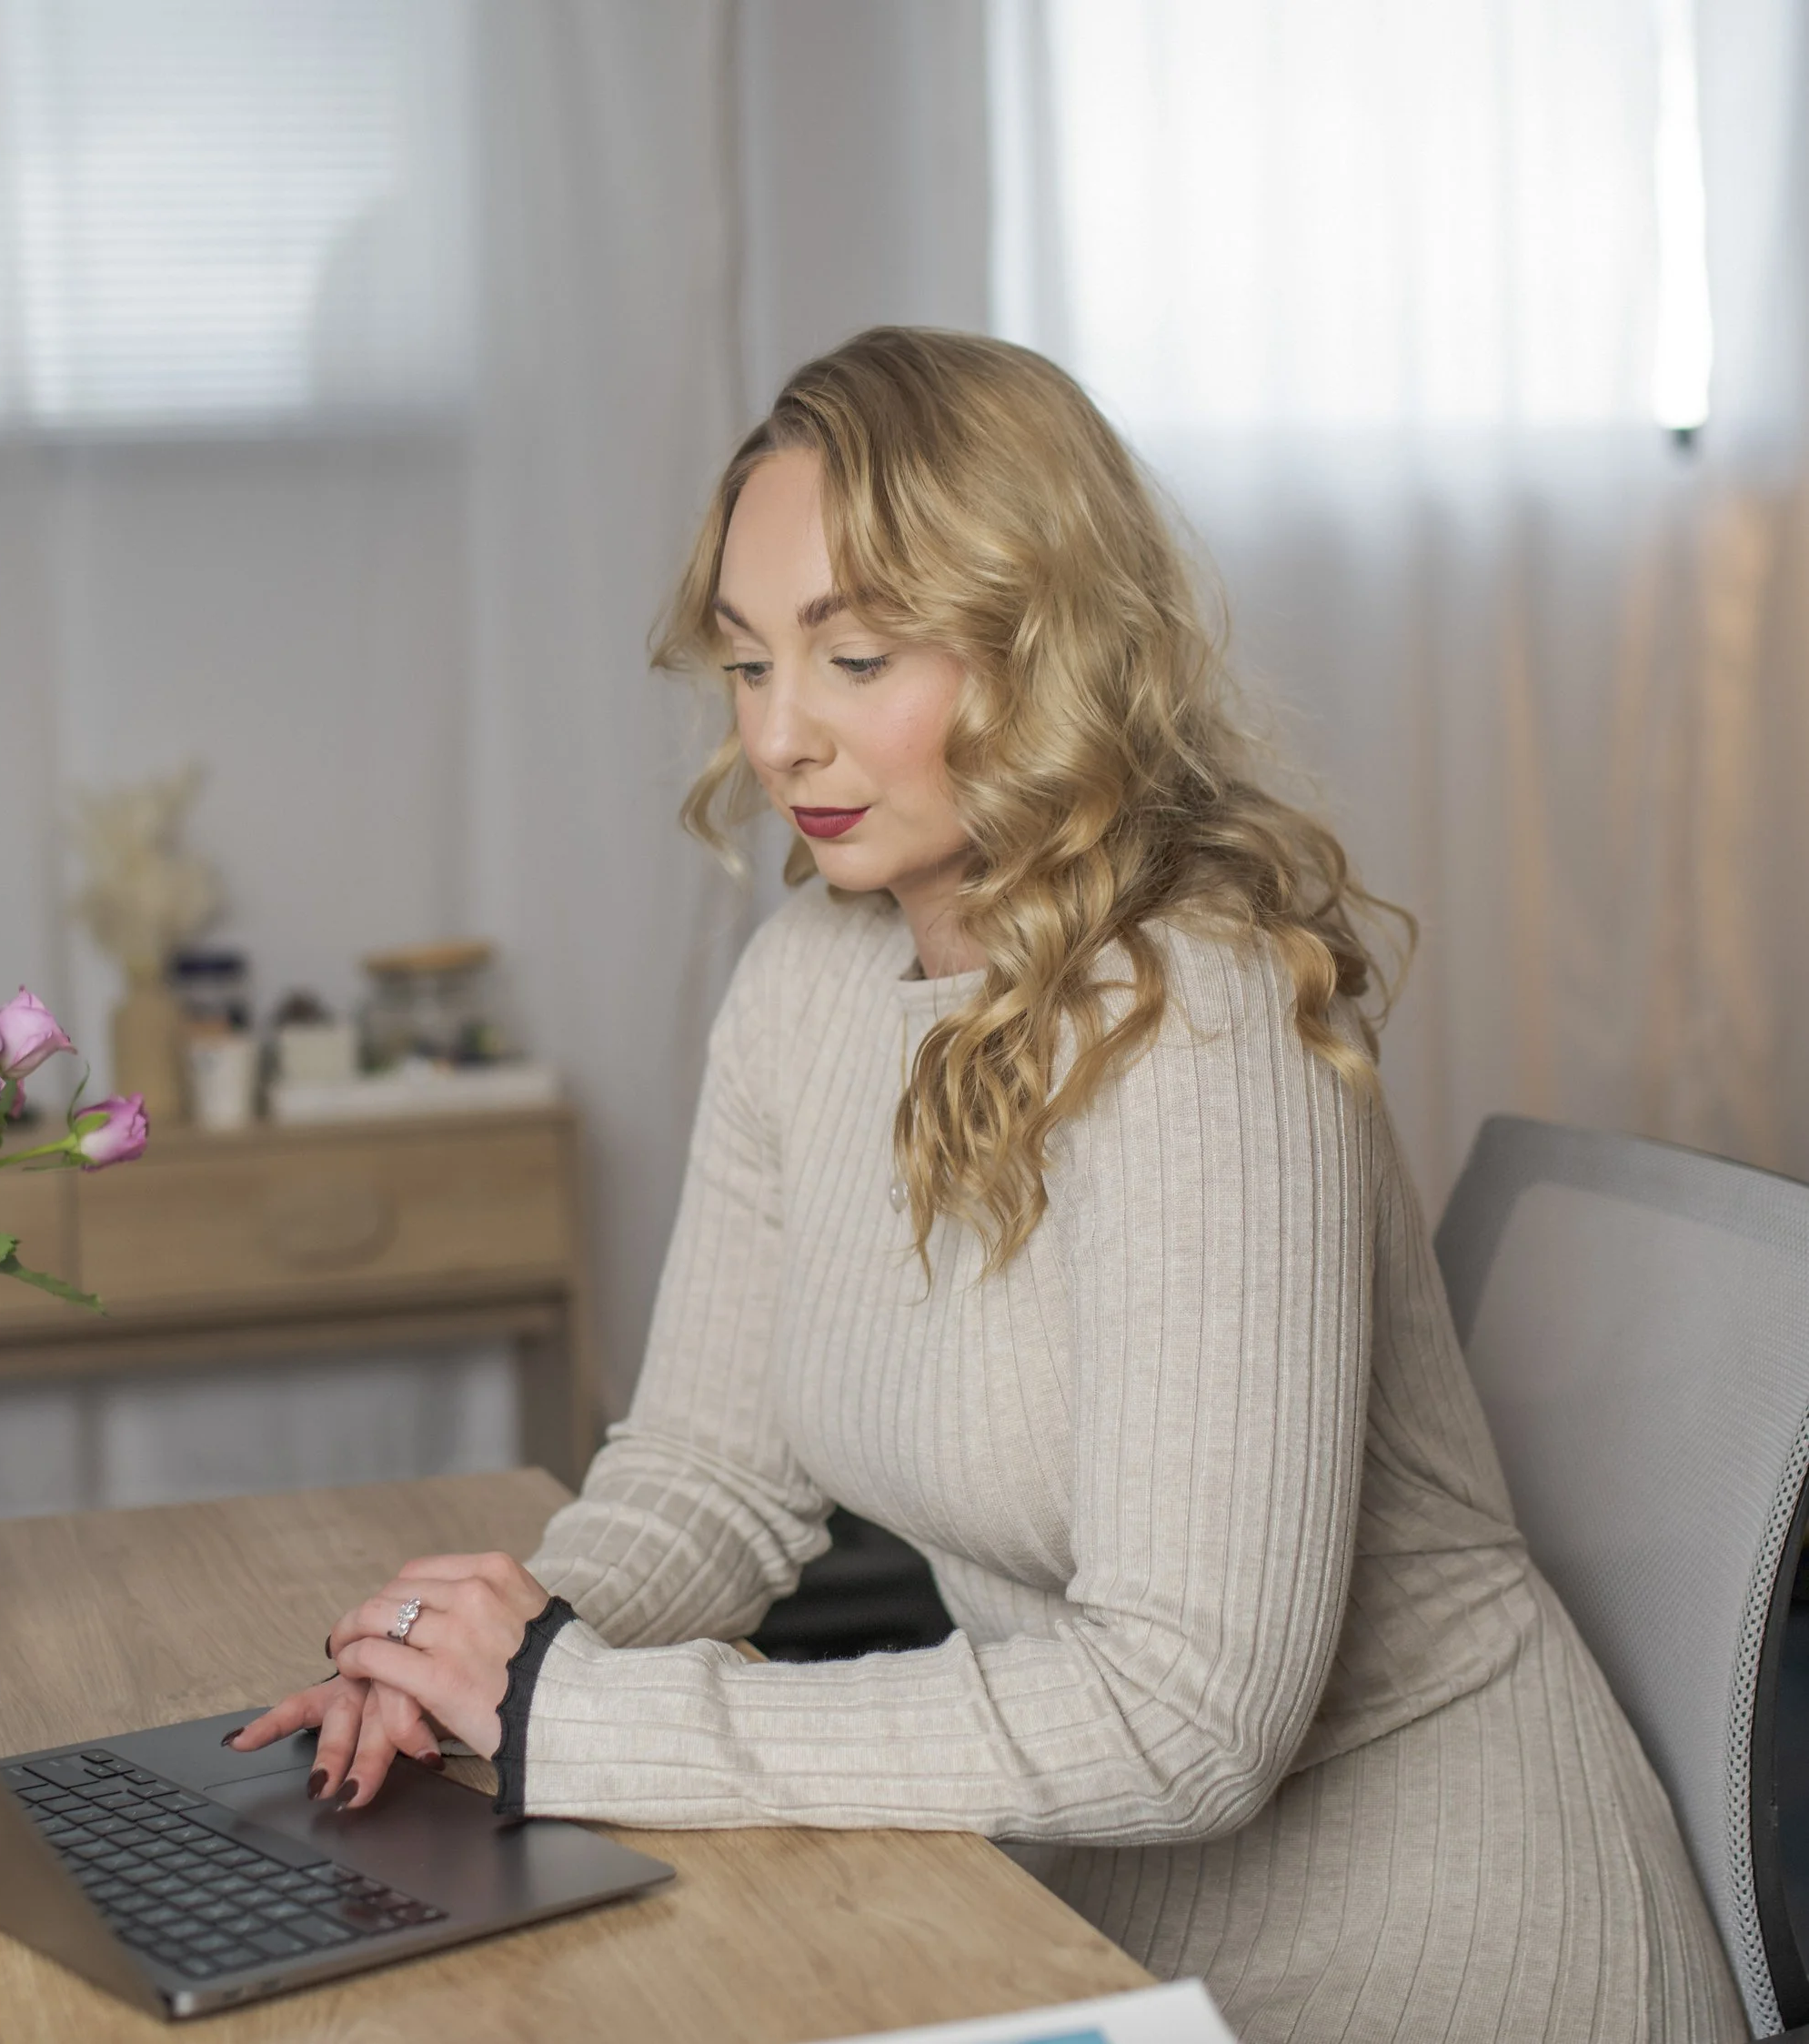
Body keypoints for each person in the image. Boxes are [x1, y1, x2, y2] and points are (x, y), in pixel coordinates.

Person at [232, 328, 1745, 2042]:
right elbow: (710, 1474)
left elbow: (1192, 1714)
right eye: (746, 663)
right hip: (1072, 1915)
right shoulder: (812, 978)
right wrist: (496, 1663)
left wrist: (585, 1717)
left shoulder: (1204, 1021)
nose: (780, 737)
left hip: (1437, 1952)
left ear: (1045, 651)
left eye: (855, 656)